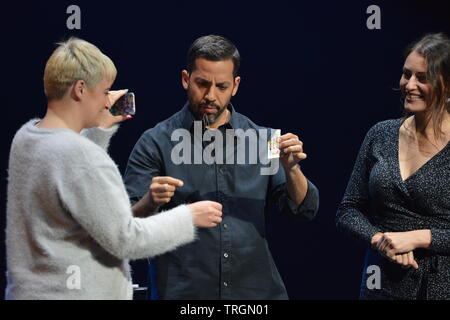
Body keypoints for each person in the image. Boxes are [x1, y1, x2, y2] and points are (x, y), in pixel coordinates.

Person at [5, 37, 222, 300]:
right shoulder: (82, 157)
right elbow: (125, 239)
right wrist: (187, 217)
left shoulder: (26, 138)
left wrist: (98, 130)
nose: (108, 101)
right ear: (80, 90)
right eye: (105, 91)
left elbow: (70, 178)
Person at [124, 35, 320, 299]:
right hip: (184, 294)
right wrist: (149, 201)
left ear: (235, 86)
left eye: (221, 86)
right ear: (186, 79)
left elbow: (303, 211)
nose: (210, 96)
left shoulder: (266, 140)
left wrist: (292, 170)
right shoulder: (155, 142)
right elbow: (125, 227)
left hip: (255, 294)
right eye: (202, 84)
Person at [336, 33, 450, 300]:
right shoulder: (381, 134)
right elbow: (347, 210)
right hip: (383, 283)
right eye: (406, 74)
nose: (409, 85)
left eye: (422, 78)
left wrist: (421, 238)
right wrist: (379, 240)